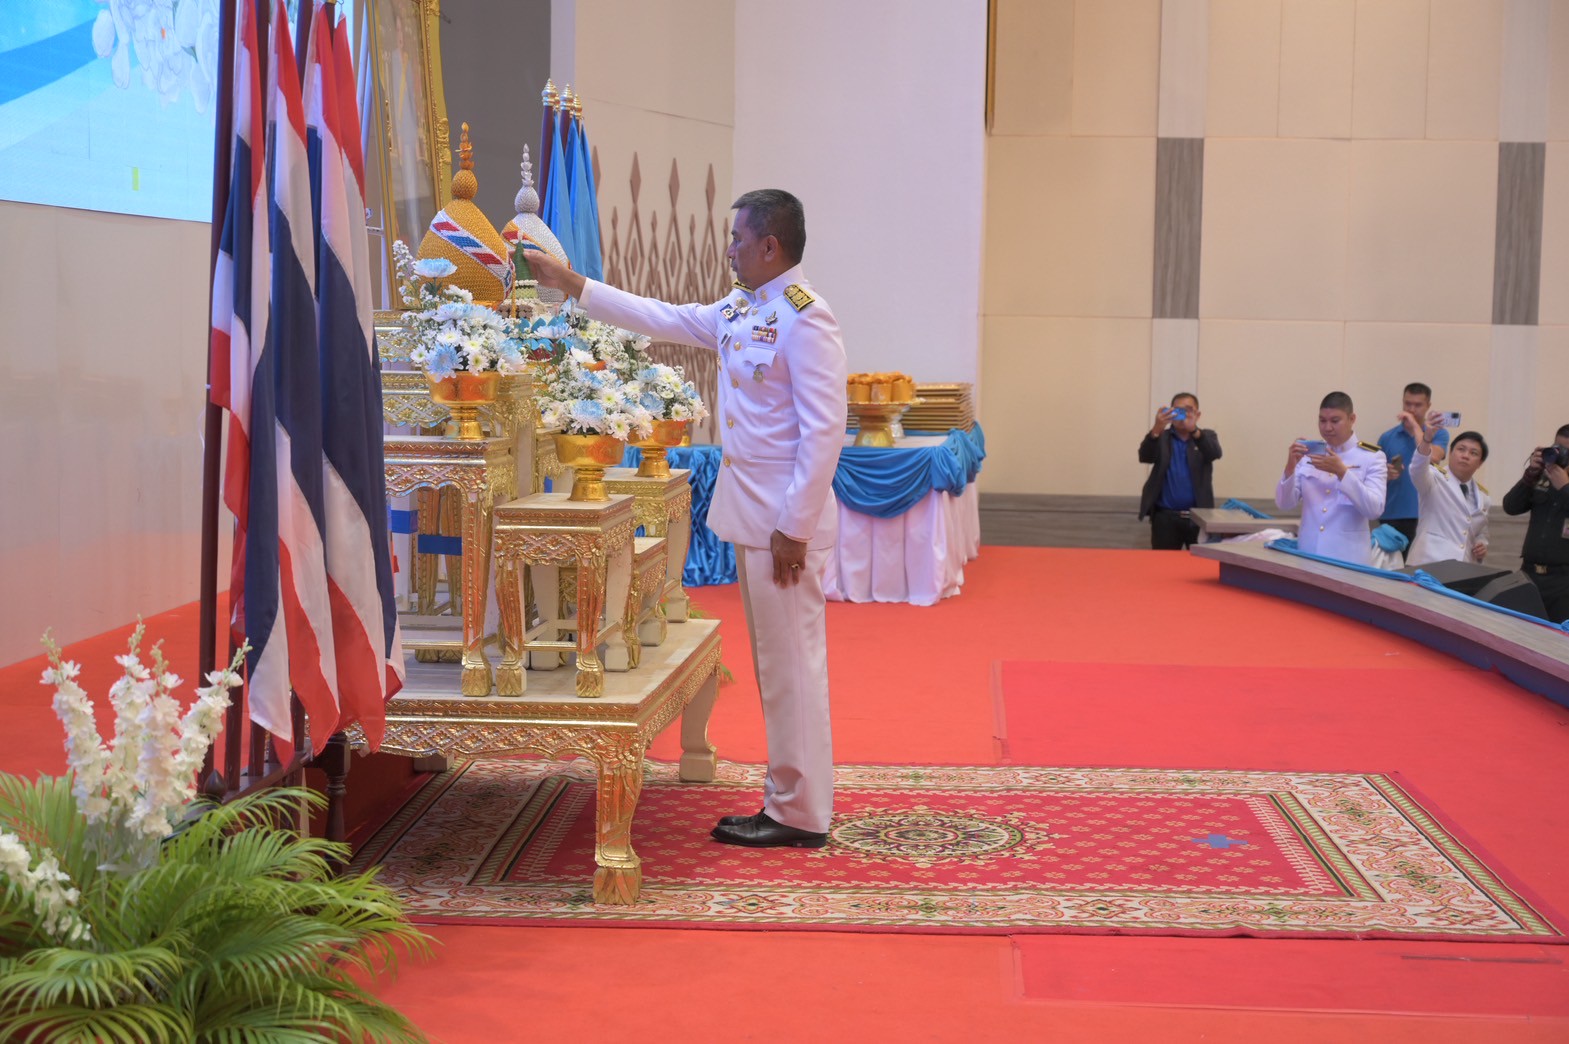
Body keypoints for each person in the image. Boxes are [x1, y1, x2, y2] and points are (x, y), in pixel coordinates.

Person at [528, 189, 846, 848]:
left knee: (792, 668)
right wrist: (574, 283)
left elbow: (823, 432)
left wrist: (795, 528)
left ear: (769, 246)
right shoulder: (741, 307)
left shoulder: (804, 318)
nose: (727, 250)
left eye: (736, 239)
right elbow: (663, 318)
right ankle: (790, 800)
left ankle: (799, 812)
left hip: (784, 525)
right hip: (755, 515)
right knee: (777, 666)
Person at [1275, 392, 1387, 566]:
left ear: (1352, 419)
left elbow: (1374, 509)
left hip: (1348, 560)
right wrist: (1290, 466)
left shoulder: (1372, 457)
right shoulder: (1309, 453)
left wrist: (1343, 473)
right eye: (1322, 420)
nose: (1327, 427)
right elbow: (1284, 504)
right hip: (1309, 555)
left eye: (1335, 421)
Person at [1401, 412, 1490, 566]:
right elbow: (1417, 468)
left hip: (1461, 569)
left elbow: (1480, 531)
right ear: (1450, 453)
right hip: (1427, 563)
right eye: (1461, 449)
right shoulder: (1434, 477)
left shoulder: (1483, 497)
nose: (1466, 455)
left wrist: (1482, 544)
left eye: (1473, 453)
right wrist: (1427, 438)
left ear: (1480, 463)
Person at [1501, 424, 1569, 622]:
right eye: (1558, 448)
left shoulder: (1561, 482)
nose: (1562, 455)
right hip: (1529, 574)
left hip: (1563, 582)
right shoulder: (1542, 476)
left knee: (1558, 644)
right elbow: (1510, 506)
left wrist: (1565, 487)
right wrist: (1531, 472)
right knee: (1521, 634)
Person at [1137, 392, 1221, 550]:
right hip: (1165, 518)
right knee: (1163, 567)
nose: (1183, 415)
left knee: (1199, 567)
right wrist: (1156, 429)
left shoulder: (1206, 436)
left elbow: (1215, 453)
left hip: (1199, 518)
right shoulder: (1162, 437)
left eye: (1188, 410)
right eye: (1178, 410)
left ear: (1198, 414)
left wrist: (1194, 430)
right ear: (1171, 413)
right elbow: (1145, 457)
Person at [1377, 383, 1450, 555]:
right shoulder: (1387, 437)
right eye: (1407, 404)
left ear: (1428, 406)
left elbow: (1434, 456)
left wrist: (1415, 427)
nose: (1411, 409)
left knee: (1418, 571)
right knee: (1391, 572)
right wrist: (1386, 474)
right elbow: (1375, 476)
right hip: (1392, 514)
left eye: (1417, 405)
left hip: (1424, 515)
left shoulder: (1439, 433)